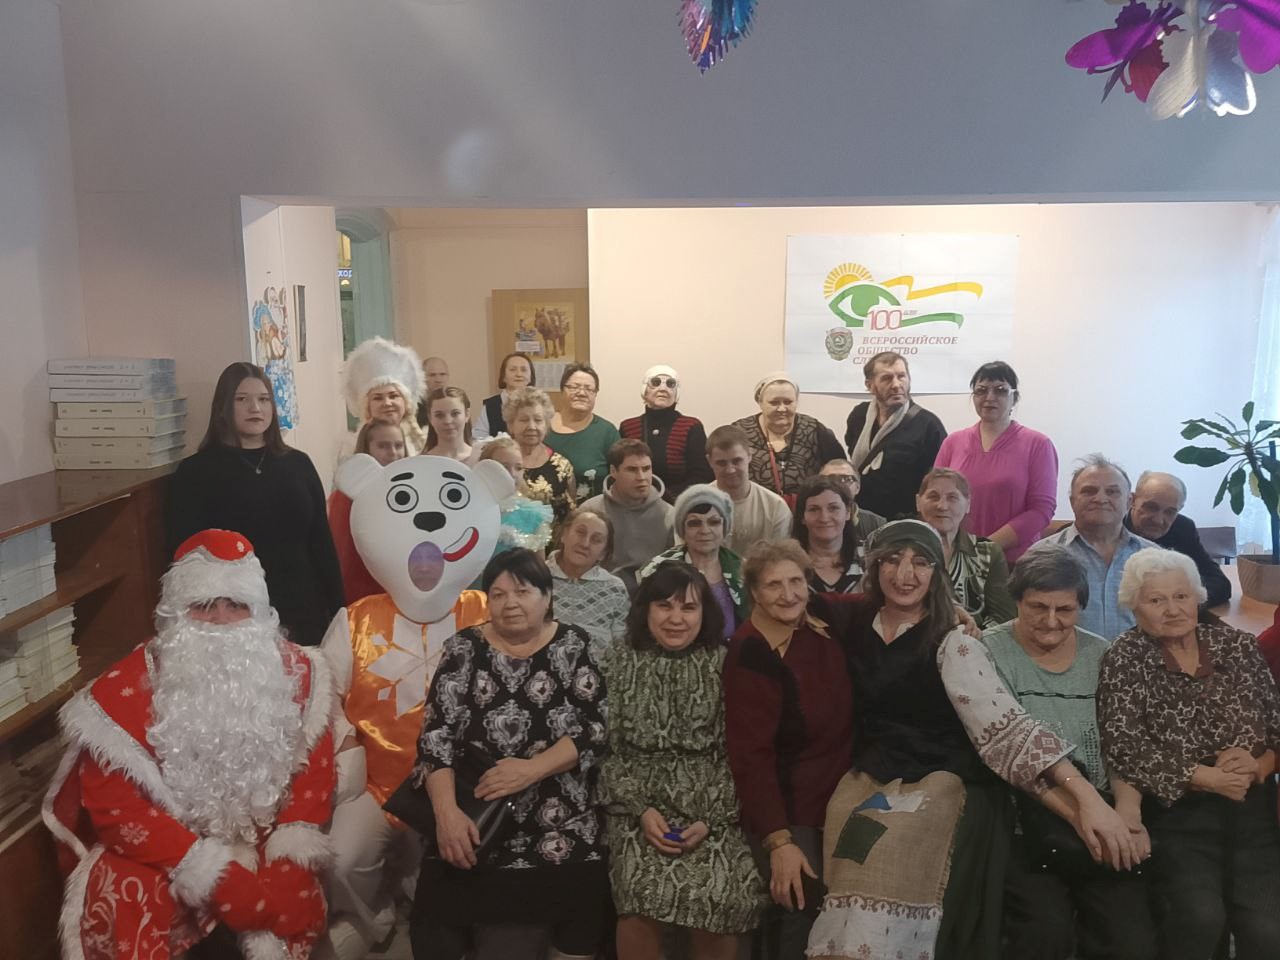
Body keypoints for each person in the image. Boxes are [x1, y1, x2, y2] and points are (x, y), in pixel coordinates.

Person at [807, 520, 1133, 960]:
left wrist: (1087, 801)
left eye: (921, 563)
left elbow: (1006, 730)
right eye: (892, 560)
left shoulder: (954, 641)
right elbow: (793, 594)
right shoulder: (857, 621)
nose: (905, 574)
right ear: (875, 566)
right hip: (871, 774)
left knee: (893, 848)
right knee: (848, 853)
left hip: (939, 777)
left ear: (938, 572)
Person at [43, 529, 336, 960]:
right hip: (172, 851)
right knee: (121, 887)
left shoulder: (301, 673)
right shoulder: (121, 693)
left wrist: (289, 860)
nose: (219, 619)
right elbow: (116, 810)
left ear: (258, 612)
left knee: (292, 899)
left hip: (264, 836)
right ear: (175, 614)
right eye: (203, 606)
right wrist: (210, 871)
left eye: (235, 605)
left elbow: (314, 776)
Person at [320, 453, 514, 960]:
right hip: (378, 781)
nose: (425, 561)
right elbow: (323, 696)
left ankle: (436, 911)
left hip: (464, 783)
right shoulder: (356, 620)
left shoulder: (485, 612)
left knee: (467, 870)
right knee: (342, 859)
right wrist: (345, 742)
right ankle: (374, 915)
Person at [410, 549, 609, 960]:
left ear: (547, 596)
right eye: (498, 595)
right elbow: (435, 737)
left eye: (522, 591)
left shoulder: (575, 645)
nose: (510, 603)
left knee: (585, 898)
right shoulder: (463, 648)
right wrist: (446, 816)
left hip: (559, 815)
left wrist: (531, 770)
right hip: (474, 812)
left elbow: (594, 727)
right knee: (434, 924)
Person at [1098, 547, 1280, 960]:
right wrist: (1203, 776)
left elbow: (1276, 726)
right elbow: (1124, 746)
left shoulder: (1237, 646)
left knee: (1268, 930)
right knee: (1200, 918)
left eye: (1181, 596)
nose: (1172, 609)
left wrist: (1258, 765)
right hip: (1179, 816)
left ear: (1197, 597)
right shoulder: (1125, 657)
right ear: (1134, 607)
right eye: (1156, 599)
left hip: (1252, 813)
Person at [982, 546, 1157, 960]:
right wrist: (1085, 815)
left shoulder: (1102, 654)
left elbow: (1123, 744)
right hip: (1023, 821)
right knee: (1044, 935)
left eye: (1065, 609)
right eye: (1037, 607)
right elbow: (1011, 754)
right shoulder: (988, 652)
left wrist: (1128, 816)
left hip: (1103, 812)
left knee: (1132, 942)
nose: (1051, 621)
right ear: (1017, 601)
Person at [600, 562, 766, 960]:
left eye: (688, 608)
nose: (676, 618)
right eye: (664, 606)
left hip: (712, 806)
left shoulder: (724, 662)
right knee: (640, 894)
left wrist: (710, 817)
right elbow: (604, 749)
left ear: (705, 613)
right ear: (646, 609)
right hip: (635, 805)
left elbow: (739, 750)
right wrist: (641, 810)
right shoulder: (617, 660)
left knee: (719, 895)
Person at [722, 540, 854, 960]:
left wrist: (949, 610)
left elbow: (875, 601)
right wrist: (780, 842)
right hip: (787, 808)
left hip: (839, 795)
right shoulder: (752, 650)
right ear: (754, 593)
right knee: (801, 902)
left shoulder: (818, 617)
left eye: (796, 581)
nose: (789, 594)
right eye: (773, 585)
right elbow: (751, 756)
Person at [166, 361, 343, 647]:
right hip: (235, 618)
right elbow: (185, 557)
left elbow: (322, 544)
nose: (255, 408)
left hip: (304, 610)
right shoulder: (196, 472)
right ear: (222, 408)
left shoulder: (298, 464)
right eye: (242, 399)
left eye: (264, 399)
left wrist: (339, 610)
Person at [933, 361, 1058, 562]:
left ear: (1015, 398)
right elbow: (935, 499)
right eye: (981, 390)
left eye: (1000, 390)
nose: (989, 397)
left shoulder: (1038, 444)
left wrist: (986, 547)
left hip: (1014, 562)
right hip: (957, 558)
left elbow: (1042, 510)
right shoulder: (952, 443)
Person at [1031, 455, 1156, 641]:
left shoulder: (1155, 558)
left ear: (1130, 502)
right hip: (1065, 658)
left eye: (1112, 492)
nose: (1100, 498)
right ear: (1072, 501)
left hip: (1140, 659)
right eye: (1089, 491)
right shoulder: (1040, 555)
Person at [843, 351, 947, 520]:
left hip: (903, 522)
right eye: (886, 378)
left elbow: (937, 482)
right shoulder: (858, 415)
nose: (896, 385)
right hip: (859, 519)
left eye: (901, 376)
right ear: (870, 385)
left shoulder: (929, 426)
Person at [638, 484, 748, 637]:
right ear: (682, 529)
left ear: (725, 527)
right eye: (694, 523)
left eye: (714, 522)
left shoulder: (746, 571)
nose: (705, 530)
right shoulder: (657, 571)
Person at [916, 468, 1016, 628]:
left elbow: (1003, 618)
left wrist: (972, 639)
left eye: (952, 498)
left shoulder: (988, 553)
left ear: (968, 505)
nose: (942, 506)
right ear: (918, 502)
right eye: (933, 496)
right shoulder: (901, 551)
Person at [1124, 470, 1232, 608]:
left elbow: (1219, 583)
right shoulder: (1111, 528)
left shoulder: (1183, 528)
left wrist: (1180, 604)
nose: (1158, 520)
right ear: (1132, 500)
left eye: (1170, 512)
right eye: (1151, 507)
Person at [328, 420, 407, 604]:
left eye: (398, 445)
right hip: (364, 587)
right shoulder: (349, 495)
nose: (393, 452)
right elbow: (345, 554)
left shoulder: (411, 490)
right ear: (367, 449)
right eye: (383, 446)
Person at [731, 372, 844, 500]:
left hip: (807, 509)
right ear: (760, 402)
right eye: (774, 403)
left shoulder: (815, 430)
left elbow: (839, 470)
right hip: (754, 507)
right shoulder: (739, 432)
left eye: (788, 402)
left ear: (796, 402)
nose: (782, 409)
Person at [581, 440, 675, 592]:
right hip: (599, 593)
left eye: (646, 469)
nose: (641, 477)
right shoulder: (590, 512)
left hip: (652, 596)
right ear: (613, 471)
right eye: (632, 470)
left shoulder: (670, 515)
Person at [547, 506, 630, 667]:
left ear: (604, 552)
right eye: (580, 532)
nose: (585, 544)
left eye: (596, 540)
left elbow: (622, 649)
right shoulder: (536, 578)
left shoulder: (615, 588)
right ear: (564, 534)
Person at [619, 365, 713, 503]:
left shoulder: (691, 426)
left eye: (670, 384)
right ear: (645, 390)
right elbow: (620, 472)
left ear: (676, 393)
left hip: (679, 505)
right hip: (634, 504)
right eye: (655, 383)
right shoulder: (628, 427)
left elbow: (702, 475)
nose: (663, 389)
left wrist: (665, 498)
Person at [706, 424, 791, 556]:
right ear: (709, 461)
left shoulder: (775, 506)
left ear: (749, 455)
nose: (730, 470)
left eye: (737, 461)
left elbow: (780, 560)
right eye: (721, 463)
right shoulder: (693, 504)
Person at [793, 475, 885, 593]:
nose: (824, 518)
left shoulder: (871, 558)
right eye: (814, 509)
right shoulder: (789, 561)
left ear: (848, 513)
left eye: (833, 508)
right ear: (802, 517)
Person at [340, 336, 428, 455]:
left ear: (405, 402)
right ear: (367, 406)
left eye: (393, 396)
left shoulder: (423, 444)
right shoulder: (351, 449)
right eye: (378, 398)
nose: (387, 403)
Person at [547, 363, 621, 500]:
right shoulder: (542, 427)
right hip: (543, 510)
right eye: (574, 387)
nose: (581, 393)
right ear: (562, 390)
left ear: (595, 394)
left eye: (589, 389)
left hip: (593, 511)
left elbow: (621, 478)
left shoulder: (607, 432)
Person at [506, 386, 577, 527]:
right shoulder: (499, 461)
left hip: (553, 540)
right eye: (524, 420)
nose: (532, 426)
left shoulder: (561, 465)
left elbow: (570, 515)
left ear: (547, 425)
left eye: (538, 420)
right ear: (510, 425)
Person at [474, 351, 534, 441]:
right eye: (512, 369)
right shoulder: (491, 406)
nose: (519, 374)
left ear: (530, 377)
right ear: (503, 376)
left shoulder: (539, 404)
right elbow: (479, 439)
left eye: (524, 370)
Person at [423, 385, 477, 463]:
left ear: (467, 414)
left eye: (455, 413)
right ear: (430, 418)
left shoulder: (482, 459)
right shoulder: (421, 462)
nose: (448, 421)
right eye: (439, 415)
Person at [415, 356, 451, 426]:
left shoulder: (457, 405)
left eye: (442, 374)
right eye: (432, 375)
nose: (438, 380)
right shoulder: (413, 409)